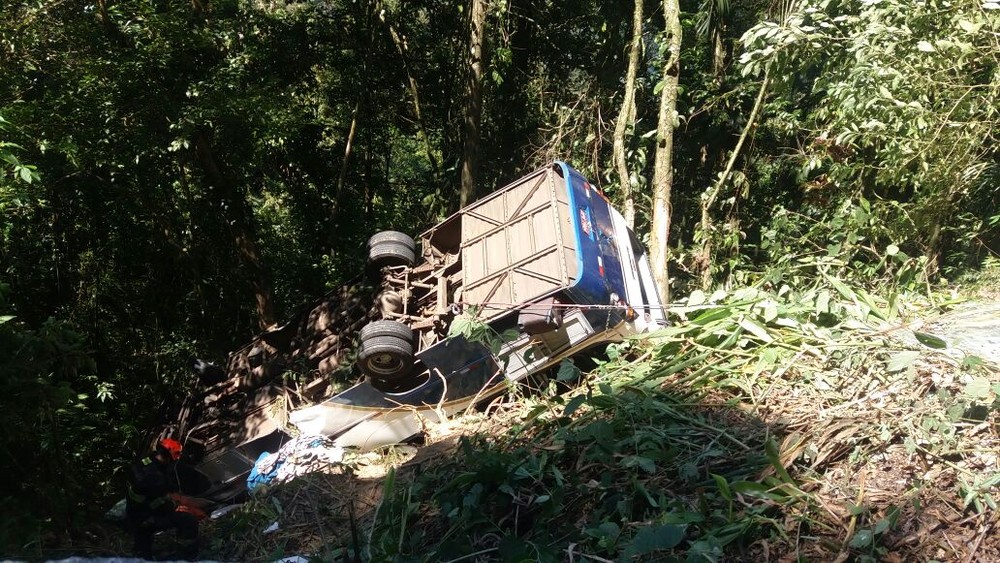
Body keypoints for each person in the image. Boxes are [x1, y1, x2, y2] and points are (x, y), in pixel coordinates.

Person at [125, 437, 199, 560]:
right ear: (168, 456)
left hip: (134, 514)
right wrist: (175, 507)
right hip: (147, 517)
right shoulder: (156, 479)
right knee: (188, 520)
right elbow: (161, 503)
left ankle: (142, 554)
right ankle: (188, 556)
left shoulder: (144, 463)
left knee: (143, 546)